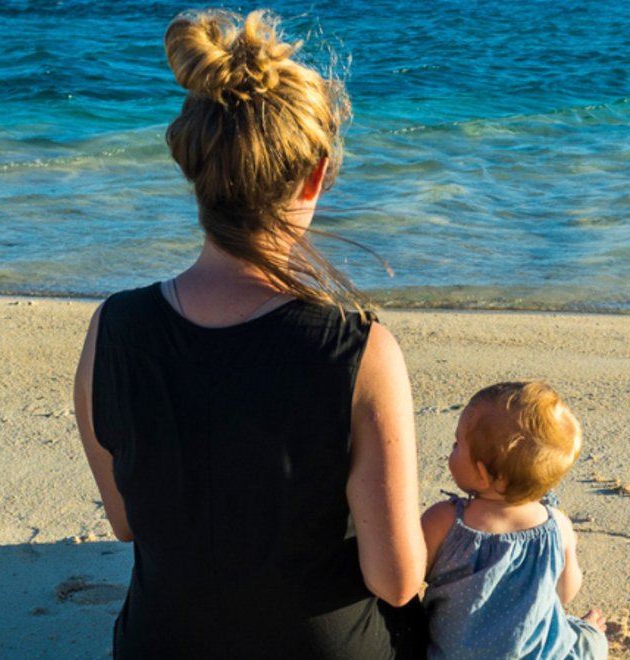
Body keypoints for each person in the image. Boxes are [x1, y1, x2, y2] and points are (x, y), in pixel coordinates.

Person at [72, 9, 427, 659]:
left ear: (195, 171)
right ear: (316, 175)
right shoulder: (358, 350)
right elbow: (397, 581)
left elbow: (125, 523)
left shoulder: (112, 330)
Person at [420, 382, 609, 660]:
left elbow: (407, 574)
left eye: (457, 445)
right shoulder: (557, 525)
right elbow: (564, 592)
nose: (451, 449)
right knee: (588, 642)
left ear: (482, 474)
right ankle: (589, 629)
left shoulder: (444, 520)